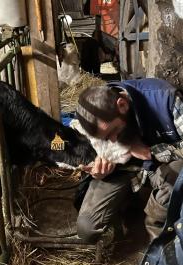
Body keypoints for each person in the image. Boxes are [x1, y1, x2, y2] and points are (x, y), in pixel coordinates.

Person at [75, 78, 183, 244]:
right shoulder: (93, 119)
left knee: (178, 175)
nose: (112, 140)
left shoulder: (165, 97)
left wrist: (150, 151)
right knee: (86, 229)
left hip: (162, 167)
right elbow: (96, 153)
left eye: (114, 131)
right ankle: (127, 206)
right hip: (124, 170)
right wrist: (99, 172)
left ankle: (158, 240)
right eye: (105, 138)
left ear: (122, 105)